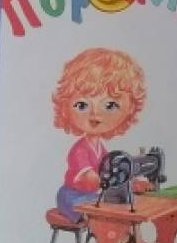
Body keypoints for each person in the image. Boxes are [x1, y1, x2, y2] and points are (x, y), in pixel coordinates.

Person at [51, 48, 148, 220]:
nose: (95, 115)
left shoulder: (100, 149)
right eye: (82, 105)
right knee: (110, 212)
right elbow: (90, 180)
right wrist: (119, 181)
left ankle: (125, 238)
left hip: (90, 197)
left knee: (119, 208)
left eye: (109, 105)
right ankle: (108, 238)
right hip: (72, 197)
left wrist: (131, 182)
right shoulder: (79, 150)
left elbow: (108, 171)